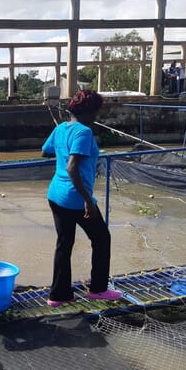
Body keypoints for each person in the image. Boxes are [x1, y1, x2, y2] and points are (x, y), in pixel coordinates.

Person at [41, 89, 122, 307]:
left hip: (55, 194)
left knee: (64, 244)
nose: (97, 116)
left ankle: (58, 295)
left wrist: (63, 149)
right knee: (102, 239)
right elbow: (72, 167)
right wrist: (88, 200)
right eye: (96, 111)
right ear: (88, 111)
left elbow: (45, 151)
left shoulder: (60, 129)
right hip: (75, 198)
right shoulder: (83, 132)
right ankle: (98, 290)